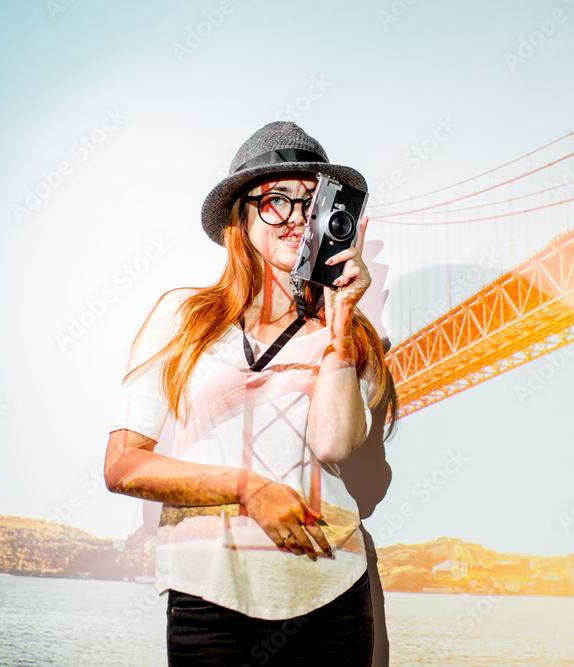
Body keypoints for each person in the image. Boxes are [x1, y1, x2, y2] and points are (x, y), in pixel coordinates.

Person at [103, 121, 396, 666]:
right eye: (276, 201)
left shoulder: (353, 337)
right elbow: (123, 466)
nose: (295, 219)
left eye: (312, 203)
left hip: (332, 597)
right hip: (208, 598)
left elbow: (334, 446)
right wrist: (246, 488)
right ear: (241, 215)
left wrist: (340, 324)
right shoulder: (182, 319)